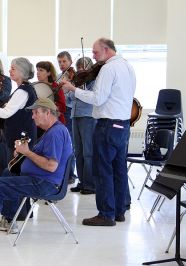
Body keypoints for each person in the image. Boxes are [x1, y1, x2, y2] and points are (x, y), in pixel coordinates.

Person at [0, 98, 73, 249]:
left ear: (48, 113)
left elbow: (51, 166)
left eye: (36, 112)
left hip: (46, 184)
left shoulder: (55, 134)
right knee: (8, 172)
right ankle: (10, 220)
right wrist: (23, 154)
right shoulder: (53, 131)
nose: (32, 116)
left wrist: (27, 153)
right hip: (42, 180)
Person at [62, 38, 136, 226]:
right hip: (123, 124)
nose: (93, 56)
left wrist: (73, 89)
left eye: (95, 52)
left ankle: (105, 214)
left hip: (107, 125)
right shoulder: (127, 66)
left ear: (105, 49)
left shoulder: (109, 68)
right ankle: (119, 211)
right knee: (119, 170)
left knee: (102, 170)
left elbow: (98, 98)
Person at [0, 57, 37, 221]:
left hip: (20, 140)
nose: (10, 71)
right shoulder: (22, 90)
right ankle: (24, 211)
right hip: (19, 138)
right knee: (18, 174)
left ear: (22, 72)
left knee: (15, 176)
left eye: (13, 68)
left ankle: (18, 214)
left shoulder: (23, 91)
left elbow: (6, 113)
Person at [68, 57, 96, 195]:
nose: (81, 70)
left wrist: (76, 91)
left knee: (88, 152)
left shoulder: (93, 81)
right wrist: (72, 89)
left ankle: (90, 184)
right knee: (78, 151)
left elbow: (92, 97)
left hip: (88, 116)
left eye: (84, 66)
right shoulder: (76, 81)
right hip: (75, 116)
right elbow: (69, 100)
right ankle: (82, 181)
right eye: (79, 67)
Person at [57, 51, 77, 183]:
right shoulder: (59, 77)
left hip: (69, 110)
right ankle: (61, 173)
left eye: (64, 61)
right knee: (61, 143)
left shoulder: (74, 76)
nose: (62, 64)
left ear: (70, 61)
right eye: (59, 62)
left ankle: (70, 174)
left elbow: (74, 96)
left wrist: (67, 90)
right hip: (60, 112)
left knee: (69, 143)